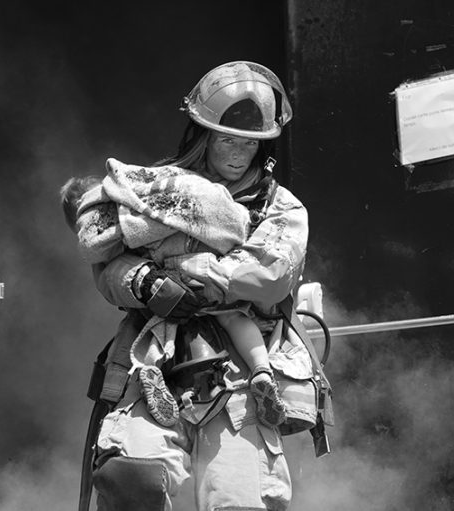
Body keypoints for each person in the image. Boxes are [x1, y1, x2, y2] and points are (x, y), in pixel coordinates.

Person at [81, 61, 324, 511]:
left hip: (239, 381)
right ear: (202, 136)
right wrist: (146, 281)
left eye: (250, 143)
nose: (238, 153)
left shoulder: (282, 209)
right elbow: (108, 267)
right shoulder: (155, 193)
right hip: (154, 363)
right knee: (130, 484)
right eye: (227, 138)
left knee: (238, 502)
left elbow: (268, 277)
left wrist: (193, 272)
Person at [60, 155, 287, 429]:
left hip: (174, 283)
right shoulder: (156, 190)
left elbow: (111, 277)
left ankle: (151, 371)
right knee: (235, 318)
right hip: (210, 276)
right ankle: (261, 370)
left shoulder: (111, 230)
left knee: (156, 331)